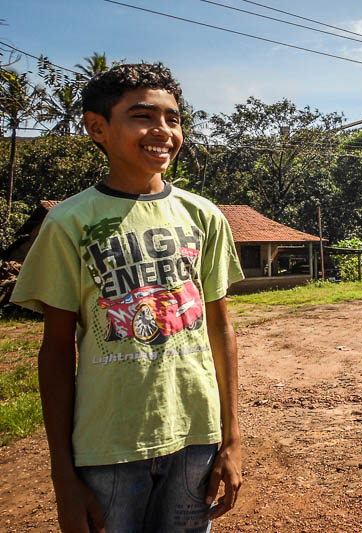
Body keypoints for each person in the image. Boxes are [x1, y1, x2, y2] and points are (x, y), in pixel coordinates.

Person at [11, 62, 245, 532]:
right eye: (143, 116)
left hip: (196, 438)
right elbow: (56, 351)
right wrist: (62, 475)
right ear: (97, 127)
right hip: (108, 446)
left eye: (173, 118)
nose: (163, 131)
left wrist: (232, 436)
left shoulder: (204, 216)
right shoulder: (68, 223)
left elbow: (220, 328)